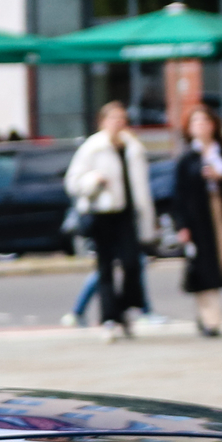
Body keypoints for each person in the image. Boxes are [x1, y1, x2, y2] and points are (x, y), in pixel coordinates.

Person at [64, 100, 155, 342]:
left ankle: (125, 310)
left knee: (132, 264)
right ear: (103, 121)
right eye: (113, 118)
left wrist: (148, 218)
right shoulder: (92, 147)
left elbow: (142, 187)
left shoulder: (133, 147)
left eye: (122, 118)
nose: (119, 123)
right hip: (101, 213)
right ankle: (109, 318)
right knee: (105, 268)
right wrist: (94, 180)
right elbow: (73, 182)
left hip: (127, 213)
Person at [172, 104, 222, 337]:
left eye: (205, 122)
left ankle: (206, 313)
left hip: (221, 216)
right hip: (197, 219)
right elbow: (179, 194)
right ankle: (211, 319)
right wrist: (182, 225)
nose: (201, 127)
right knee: (203, 265)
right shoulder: (187, 159)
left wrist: (220, 178)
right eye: (196, 122)